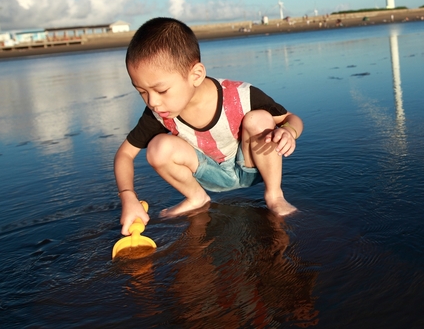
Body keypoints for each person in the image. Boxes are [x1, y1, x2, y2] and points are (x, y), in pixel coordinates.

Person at [114, 17, 301, 236]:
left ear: (196, 75)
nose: (153, 101)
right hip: (209, 174)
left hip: (252, 164)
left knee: (259, 119)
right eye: (142, 92)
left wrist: (289, 131)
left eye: (161, 90)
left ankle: (275, 195)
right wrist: (128, 197)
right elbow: (124, 155)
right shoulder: (159, 113)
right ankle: (196, 197)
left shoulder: (240, 96)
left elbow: (291, 118)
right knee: (158, 147)